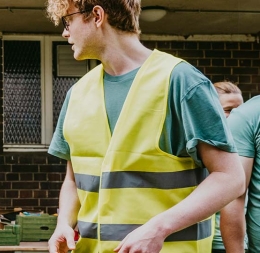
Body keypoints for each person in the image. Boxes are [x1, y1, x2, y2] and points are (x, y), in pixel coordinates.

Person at [44, 0, 244, 252]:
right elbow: (73, 180)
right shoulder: (76, 94)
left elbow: (230, 178)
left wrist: (159, 228)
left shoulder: (181, 81)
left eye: (67, 20)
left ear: (96, 15)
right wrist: (63, 223)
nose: (64, 32)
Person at [212, 81, 247, 253]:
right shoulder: (206, 150)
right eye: (228, 110)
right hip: (211, 243)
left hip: (241, 243)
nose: (235, 117)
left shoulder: (248, 146)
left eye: (239, 111)